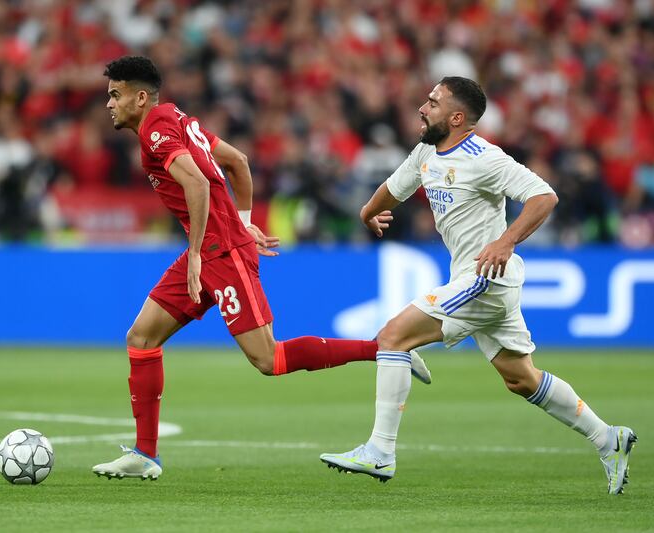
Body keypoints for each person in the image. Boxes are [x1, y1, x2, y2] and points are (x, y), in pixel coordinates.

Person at [91, 56, 431, 480]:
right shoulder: (178, 119)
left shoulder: (159, 130)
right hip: (214, 246)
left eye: (115, 95)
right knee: (141, 337)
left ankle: (385, 348)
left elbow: (197, 182)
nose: (109, 104)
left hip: (219, 254)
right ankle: (145, 454)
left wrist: (203, 248)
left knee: (268, 359)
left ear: (139, 98)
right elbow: (238, 161)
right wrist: (245, 221)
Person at [319, 77, 637, 495]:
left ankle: (381, 449)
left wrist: (505, 242)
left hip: (486, 278)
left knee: (393, 336)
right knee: (519, 377)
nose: (422, 108)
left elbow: (544, 197)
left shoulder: (485, 157)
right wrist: (368, 212)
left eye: (432, 103)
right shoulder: (425, 153)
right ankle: (608, 438)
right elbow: (392, 190)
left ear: (455, 117)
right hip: (472, 278)